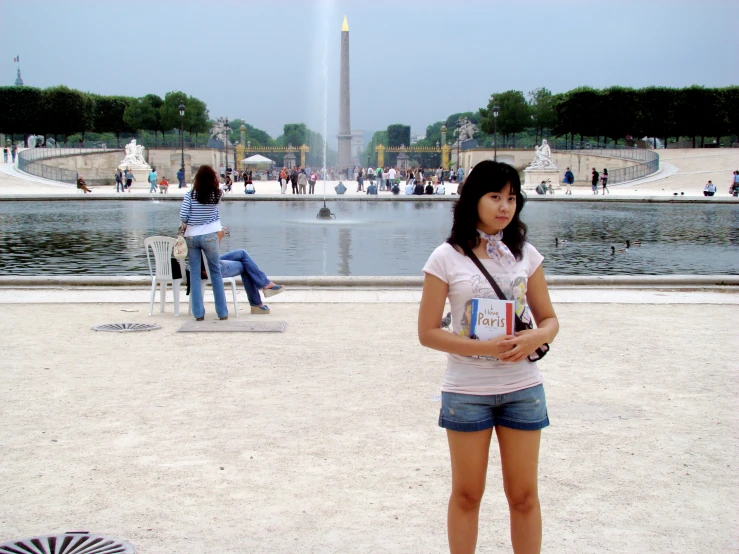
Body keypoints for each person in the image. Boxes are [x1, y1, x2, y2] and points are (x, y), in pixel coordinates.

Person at [418, 160, 558, 554]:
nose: (505, 207)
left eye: (511, 198)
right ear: (473, 199)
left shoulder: (526, 254)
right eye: (495, 196)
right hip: (466, 389)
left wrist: (536, 338)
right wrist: (486, 349)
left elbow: (549, 319)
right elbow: (427, 332)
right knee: (466, 495)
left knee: (525, 496)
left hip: (523, 387)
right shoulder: (446, 257)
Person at [179, 165, 229, 321]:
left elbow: (183, 216)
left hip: (192, 236)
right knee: (215, 272)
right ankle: (222, 312)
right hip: (209, 236)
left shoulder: (190, 195)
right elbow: (214, 213)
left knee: (194, 274)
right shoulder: (217, 194)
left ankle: (198, 313)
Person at [218, 245, 285, 314]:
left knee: (242, 255)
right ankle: (261, 294)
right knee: (245, 263)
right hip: (212, 266)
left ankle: (258, 299)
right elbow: (213, 246)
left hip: (208, 262)